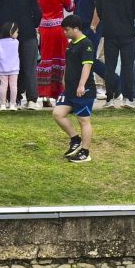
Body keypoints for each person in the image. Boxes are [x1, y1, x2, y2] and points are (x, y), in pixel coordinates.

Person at [0, 0, 40, 108]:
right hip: (28, 35)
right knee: (30, 68)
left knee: (9, 69)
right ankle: (31, 100)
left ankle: (11, 100)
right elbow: (37, 14)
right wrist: (32, 25)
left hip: (6, 38)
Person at [52, 15, 96, 163]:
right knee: (58, 113)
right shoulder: (71, 44)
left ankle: (85, 152)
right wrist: (64, 79)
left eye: (67, 30)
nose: (65, 32)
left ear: (76, 29)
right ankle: (75, 139)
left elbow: (87, 65)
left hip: (83, 90)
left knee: (84, 120)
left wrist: (81, 85)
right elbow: (68, 64)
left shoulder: (86, 44)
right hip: (69, 90)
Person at [35, 0, 71, 106]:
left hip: (43, 30)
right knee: (59, 60)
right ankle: (58, 94)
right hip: (58, 31)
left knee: (45, 61)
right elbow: (70, 7)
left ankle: (44, 96)